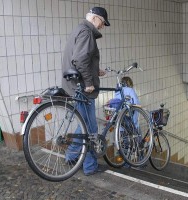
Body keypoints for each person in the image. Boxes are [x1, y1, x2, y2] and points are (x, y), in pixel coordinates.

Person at [62, 7, 110, 176]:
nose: (102, 26)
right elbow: (80, 58)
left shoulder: (79, 29)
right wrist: (89, 82)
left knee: (83, 127)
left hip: (75, 85)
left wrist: (96, 70)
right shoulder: (86, 32)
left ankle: (71, 155)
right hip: (82, 88)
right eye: (103, 22)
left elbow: (82, 58)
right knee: (91, 129)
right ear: (96, 18)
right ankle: (90, 167)